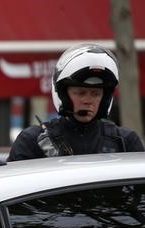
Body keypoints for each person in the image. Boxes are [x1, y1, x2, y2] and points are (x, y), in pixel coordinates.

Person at [9, 44, 144, 161]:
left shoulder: (125, 142)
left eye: (96, 94)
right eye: (80, 93)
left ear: (105, 99)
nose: (88, 101)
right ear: (63, 94)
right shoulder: (33, 141)